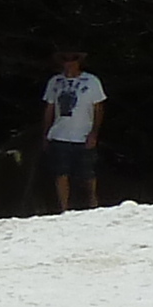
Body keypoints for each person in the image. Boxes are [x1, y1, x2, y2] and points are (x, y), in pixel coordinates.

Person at [38, 49, 104, 213]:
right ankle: (64, 208)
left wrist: (94, 132)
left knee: (87, 174)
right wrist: (46, 133)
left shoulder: (91, 81)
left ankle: (93, 203)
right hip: (60, 134)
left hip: (83, 135)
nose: (69, 62)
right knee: (61, 173)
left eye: (73, 59)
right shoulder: (55, 82)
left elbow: (98, 108)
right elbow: (50, 108)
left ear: (78, 61)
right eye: (66, 59)